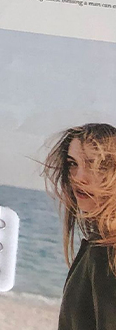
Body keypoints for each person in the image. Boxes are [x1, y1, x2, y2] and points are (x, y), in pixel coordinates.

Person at [43, 123, 116, 330]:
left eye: (95, 165)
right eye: (73, 163)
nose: (78, 177)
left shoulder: (108, 252)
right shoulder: (99, 244)